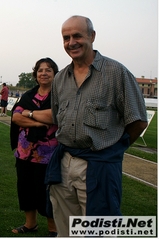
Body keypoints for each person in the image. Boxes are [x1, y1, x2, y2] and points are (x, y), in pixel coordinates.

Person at [45, 15, 148, 237]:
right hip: (63, 163)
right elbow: (57, 118)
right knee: (65, 229)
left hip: (99, 164)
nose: (71, 42)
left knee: (100, 230)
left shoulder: (116, 73)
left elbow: (138, 120)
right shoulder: (60, 78)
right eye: (66, 37)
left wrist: (113, 148)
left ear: (92, 36)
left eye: (77, 36)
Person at [10, 58, 58, 237]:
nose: (43, 73)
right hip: (24, 153)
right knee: (25, 189)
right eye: (40, 70)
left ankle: (53, 229)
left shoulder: (58, 96)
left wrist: (29, 114)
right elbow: (15, 117)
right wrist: (38, 123)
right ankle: (30, 224)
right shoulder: (29, 95)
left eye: (48, 70)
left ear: (54, 74)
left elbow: (55, 116)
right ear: (35, 74)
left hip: (48, 156)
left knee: (47, 192)